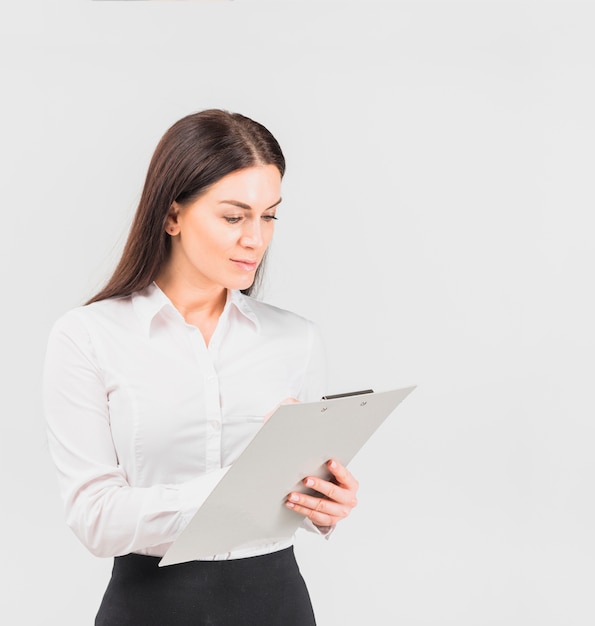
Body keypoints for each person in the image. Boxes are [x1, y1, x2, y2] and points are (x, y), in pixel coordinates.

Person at [42, 109, 359, 625]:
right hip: (149, 608)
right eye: (234, 217)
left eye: (270, 215)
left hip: (277, 605)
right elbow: (94, 519)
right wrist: (235, 487)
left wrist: (322, 504)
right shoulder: (88, 338)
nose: (256, 238)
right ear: (172, 217)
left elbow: (291, 499)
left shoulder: (296, 340)